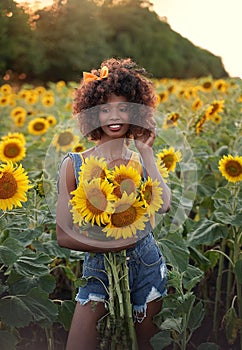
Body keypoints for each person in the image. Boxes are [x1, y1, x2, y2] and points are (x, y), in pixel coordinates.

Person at [56, 57, 171, 350]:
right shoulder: (74, 165)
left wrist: (146, 153)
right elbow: (63, 235)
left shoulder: (140, 163)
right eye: (104, 109)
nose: (114, 116)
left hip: (146, 265)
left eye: (123, 108)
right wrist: (110, 246)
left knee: (144, 345)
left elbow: (164, 205)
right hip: (98, 268)